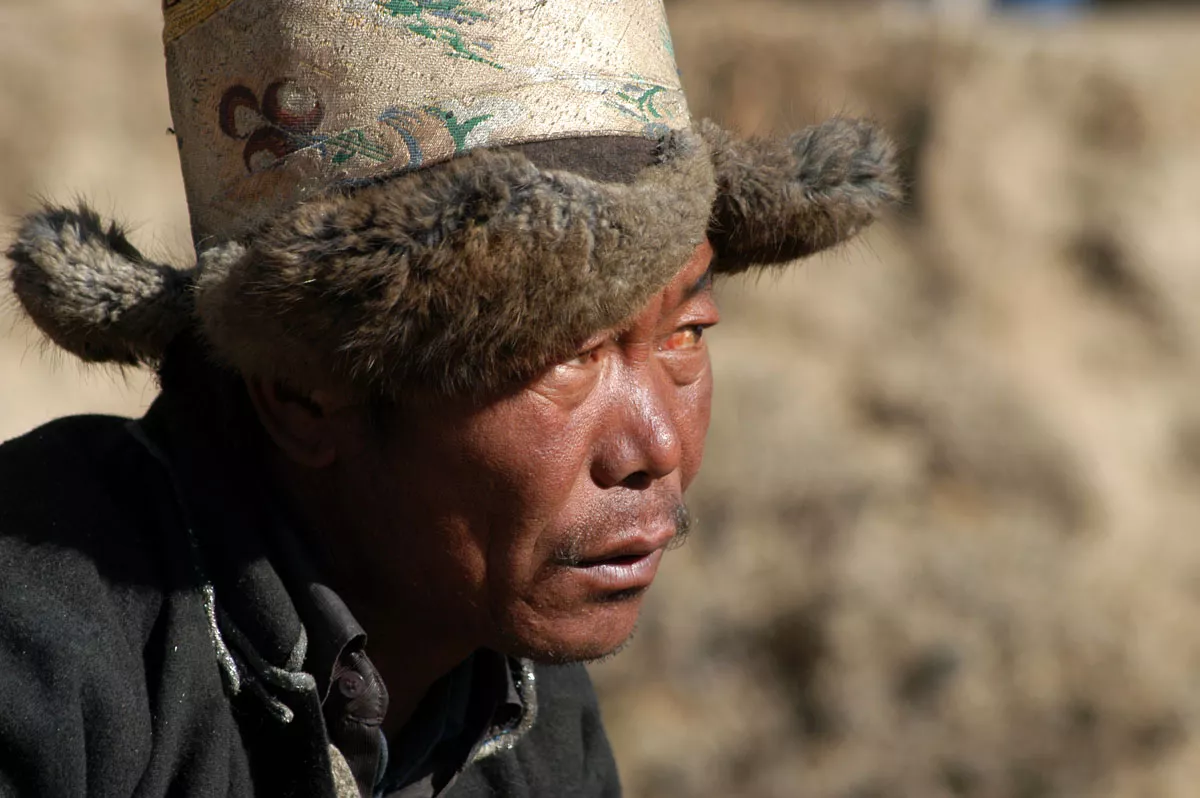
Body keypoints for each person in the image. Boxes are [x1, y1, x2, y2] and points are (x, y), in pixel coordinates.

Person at [0, 1, 900, 796]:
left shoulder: (520, 699)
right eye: (571, 354)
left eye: (685, 337)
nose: (657, 445)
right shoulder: (42, 657)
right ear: (307, 392)